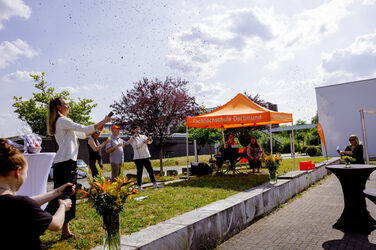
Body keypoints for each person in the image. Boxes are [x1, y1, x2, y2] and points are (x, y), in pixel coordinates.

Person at [46, 97, 111, 240]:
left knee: (68, 196)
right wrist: (104, 121)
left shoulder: (65, 124)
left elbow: (85, 133)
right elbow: (85, 129)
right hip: (64, 164)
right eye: (65, 104)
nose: (68, 106)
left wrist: (101, 123)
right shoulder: (63, 121)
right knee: (59, 197)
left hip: (68, 163)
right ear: (58, 107)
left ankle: (65, 231)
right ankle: (37, 224)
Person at [0, 138, 73, 249]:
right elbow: (56, 224)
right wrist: (63, 206)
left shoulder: (15, 203)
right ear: (18, 172)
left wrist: (56, 192)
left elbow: (23, 204)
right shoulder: (21, 204)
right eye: (26, 172)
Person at [125, 126, 162, 191]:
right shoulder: (132, 138)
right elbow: (136, 146)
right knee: (139, 172)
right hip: (137, 158)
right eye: (136, 129)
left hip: (146, 156)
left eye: (138, 129)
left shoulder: (143, 136)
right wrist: (143, 142)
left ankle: (155, 184)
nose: (138, 130)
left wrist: (149, 139)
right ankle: (139, 186)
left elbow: (149, 142)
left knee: (150, 170)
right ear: (134, 130)